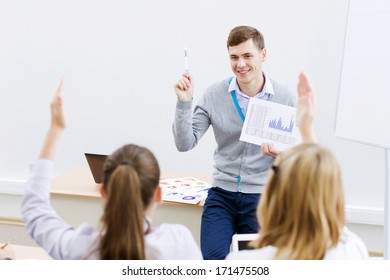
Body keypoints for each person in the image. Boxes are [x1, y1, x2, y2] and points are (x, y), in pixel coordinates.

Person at [21, 79, 202, 260]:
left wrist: (55, 128)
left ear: (104, 192)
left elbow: (35, 210)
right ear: (158, 194)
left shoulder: (80, 249)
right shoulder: (178, 243)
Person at [173, 25, 296, 259]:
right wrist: (184, 103)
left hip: (262, 198)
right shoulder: (213, 94)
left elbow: (301, 155)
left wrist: (283, 154)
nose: (241, 64)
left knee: (257, 267)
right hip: (222, 195)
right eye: (234, 57)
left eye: (248, 56)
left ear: (263, 55)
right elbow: (184, 143)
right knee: (212, 262)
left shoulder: (285, 97)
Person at [225, 73, 369, 260]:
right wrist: (306, 128)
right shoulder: (351, 251)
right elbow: (322, 198)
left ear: (273, 198)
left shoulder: (245, 262)